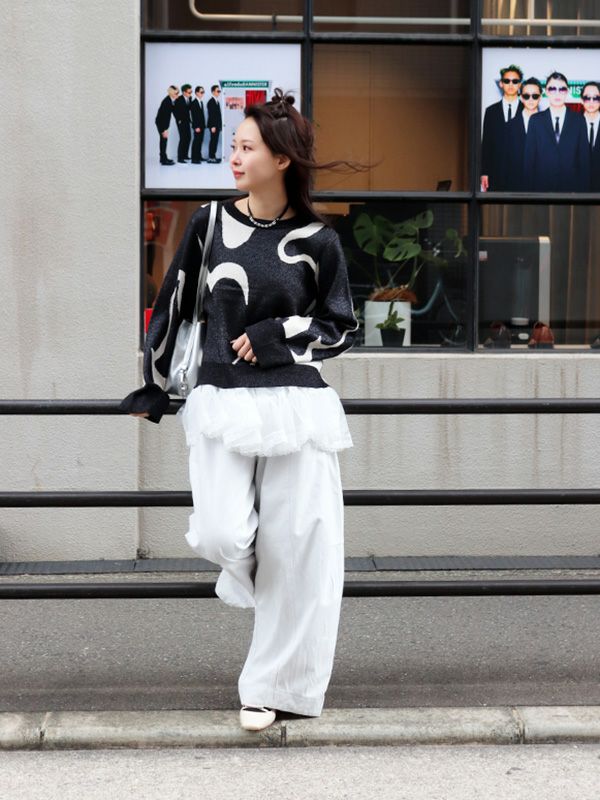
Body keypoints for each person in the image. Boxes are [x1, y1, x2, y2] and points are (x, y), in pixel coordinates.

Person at [119, 89, 363, 733]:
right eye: (233, 145)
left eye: (246, 147)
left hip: (296, 403)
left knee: (300, 547)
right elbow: (174, 303)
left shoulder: (319, 240)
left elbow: (342, 326)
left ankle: (272, 690)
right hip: (222, 398)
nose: (234, 156)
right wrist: (154, 385)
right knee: (222, 533)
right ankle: (252, 586)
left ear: (281, 160)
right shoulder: (209, 224)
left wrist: (281, 334)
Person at [524, 71, 590, 192]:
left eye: (562, 89)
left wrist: (582, 193)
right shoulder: (535, 121)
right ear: (546, 91)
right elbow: (529, 160)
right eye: (552, 89)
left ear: (567, 91)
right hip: (541, 190)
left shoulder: (579, 120)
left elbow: (584, 160)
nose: (557, 93)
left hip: (571, 190)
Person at [481, 64, 523, 191]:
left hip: (521, 174)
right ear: (501, 83)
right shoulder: (491, 111)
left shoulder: (527, 110)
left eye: (515, 81)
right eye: (507, 81)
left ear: (520, 85)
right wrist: (484, 172)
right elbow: (486, 143)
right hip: (495, 173)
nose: (511, 84)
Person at [505, 77, 542, 191]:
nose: (530, 99)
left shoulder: (549, 125)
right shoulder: (510, 126)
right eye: (526, 96)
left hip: (542, 186)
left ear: (540, 97)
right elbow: (506, 161)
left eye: (535, 96)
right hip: (515, 187)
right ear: (521, 97)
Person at [581, 81, 600, 190]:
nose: (591, 101)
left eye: (596, 98)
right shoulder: (572, 124)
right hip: (578, 189)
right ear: (581, 100)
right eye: (587, 98)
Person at [154, 86, 178, 166]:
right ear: (171, 93)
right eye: (176, 93)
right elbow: (164, 117)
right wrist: (164, 129)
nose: (177, 94)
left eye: (178, 93)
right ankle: (163, 160)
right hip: (161, 123)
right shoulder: (166, 102)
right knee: (163, 140)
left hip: (163, 123)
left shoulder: (171, 100)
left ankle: (163, 158)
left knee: (164, 140)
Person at [173, 84, 193, 163]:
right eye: (189, 92)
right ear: (184, 92)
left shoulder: (189, 98)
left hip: (187, 121)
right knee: (183, 138)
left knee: (188, 137)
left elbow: (189, 109)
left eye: (191, 92)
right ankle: (180, 157)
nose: (190, 94)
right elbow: (174, 111)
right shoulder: (178, 99)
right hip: (181, 122)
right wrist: (179, 120)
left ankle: (185, 155)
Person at [206, 84, 222, 163]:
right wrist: (212, 126)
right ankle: (211, 157)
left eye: (219, 91)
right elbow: (211, 115)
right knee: (213, 141)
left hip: (217, 125)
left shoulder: (217, 101)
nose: (219, 92)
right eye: (217, 91)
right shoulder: (211, 102)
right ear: (213, 92)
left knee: (215, 141)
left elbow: (218, 115)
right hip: (213, 126)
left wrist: (220, 125)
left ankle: (213, 156)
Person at [190, 85, 206, 164]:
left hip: (201, 126)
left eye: (203, 92)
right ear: (196, 93)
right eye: (201, 92)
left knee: (200, 141)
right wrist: (196, 127)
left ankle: (199, 156)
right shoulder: (194, 103)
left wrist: (203, 125)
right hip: (197, 126)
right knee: (196, 142)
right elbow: (193, 116)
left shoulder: (201, 102)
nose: (202, 93)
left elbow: (201, 115)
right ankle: (194, 158)